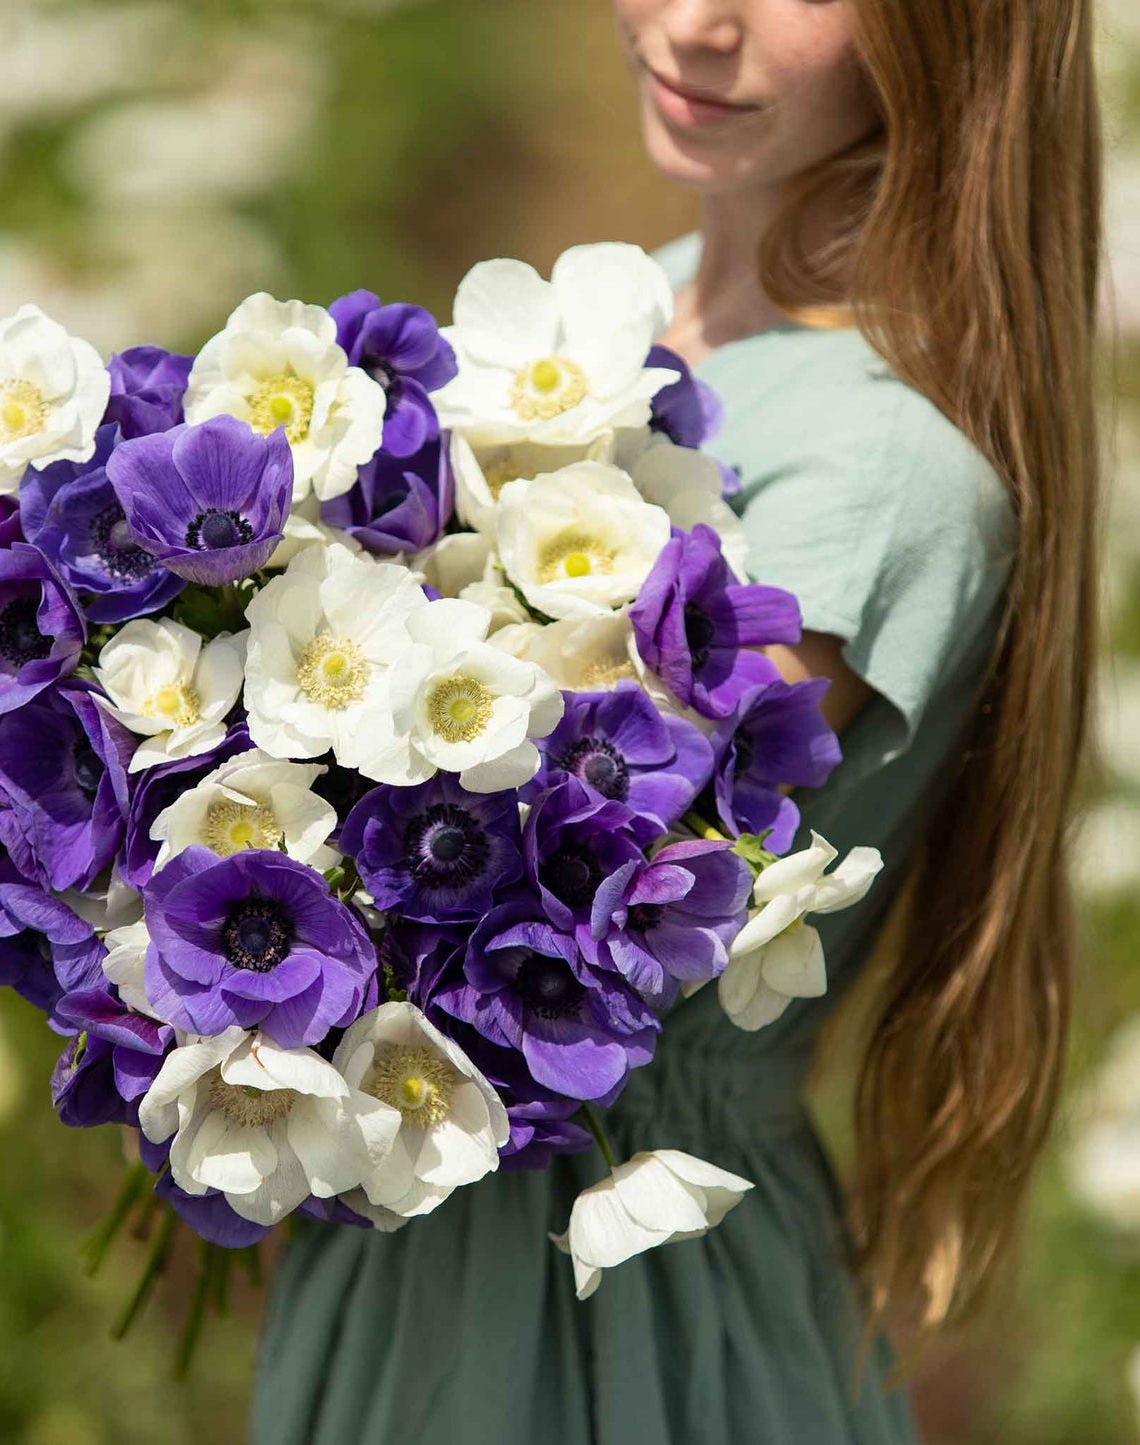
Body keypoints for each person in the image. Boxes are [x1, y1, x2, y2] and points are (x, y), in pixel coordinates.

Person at [251, 0, 1101, 1439]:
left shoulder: (875, 470)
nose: (695, 22)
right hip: (426, 1218)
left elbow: (554, 883)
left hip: (597, 1292)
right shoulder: (621, 320)